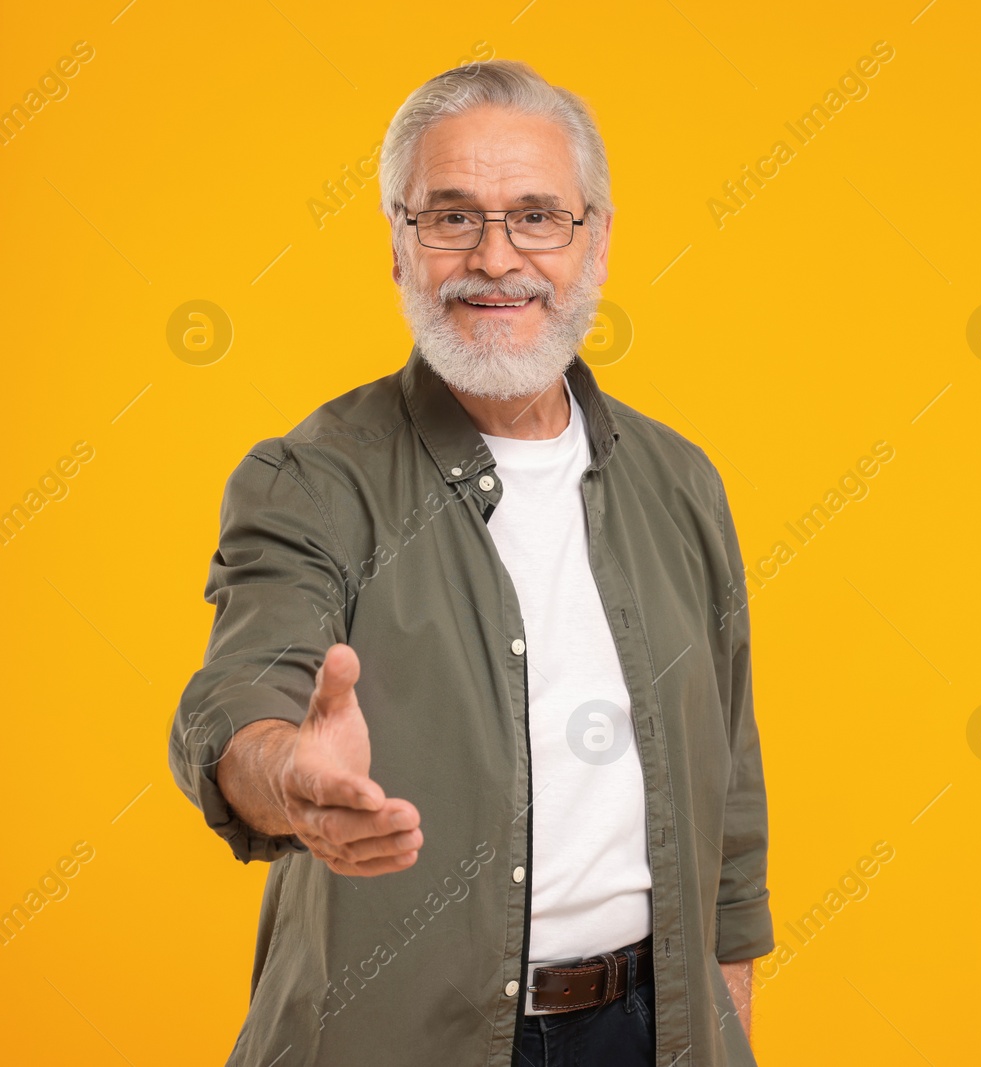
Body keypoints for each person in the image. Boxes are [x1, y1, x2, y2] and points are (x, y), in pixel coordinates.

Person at [168, 58, 772, 1067]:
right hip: (396, 1037)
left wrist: (727, 1029)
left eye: (537, 216)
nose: (497, 258)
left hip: (652, 1028)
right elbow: (241, 691)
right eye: (451, 217)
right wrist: (290, 774)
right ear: (400, 246)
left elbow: (733, 800)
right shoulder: (311, 480)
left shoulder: (679, 481)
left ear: (596, 241)